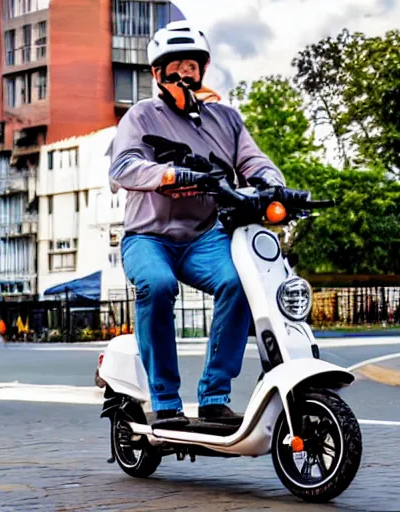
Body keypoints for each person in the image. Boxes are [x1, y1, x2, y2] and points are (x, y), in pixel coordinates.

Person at [109, 21, 285, 426]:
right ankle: (166, 402)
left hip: (203, 237)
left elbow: (254, 162)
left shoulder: (225, 119)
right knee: (157, 285)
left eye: (192, 65)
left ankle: (214, 395)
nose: (184, 73)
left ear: (202, 70)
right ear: (157, 73)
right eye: (175, 66)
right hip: (148, 237)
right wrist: (168, 175)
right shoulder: (141, 117)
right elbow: (123, 167)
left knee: (241, 278)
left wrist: (275, 187)